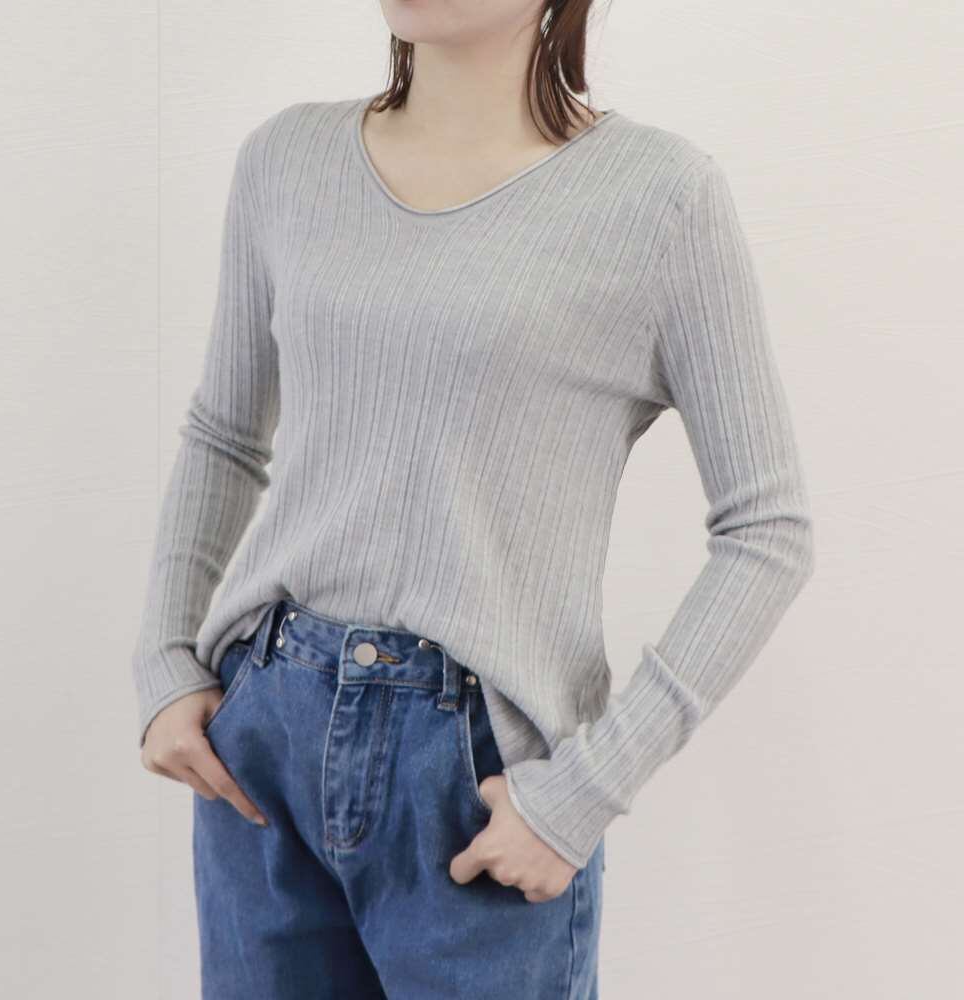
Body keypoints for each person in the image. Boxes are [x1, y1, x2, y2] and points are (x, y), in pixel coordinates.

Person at [132, 2, 815, 997]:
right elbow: (225, 434)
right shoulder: (285, 159)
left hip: (478, 773)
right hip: (264, 735)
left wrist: (585, 791)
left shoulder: (659, 197)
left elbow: (768, 529)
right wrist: (164, 658)